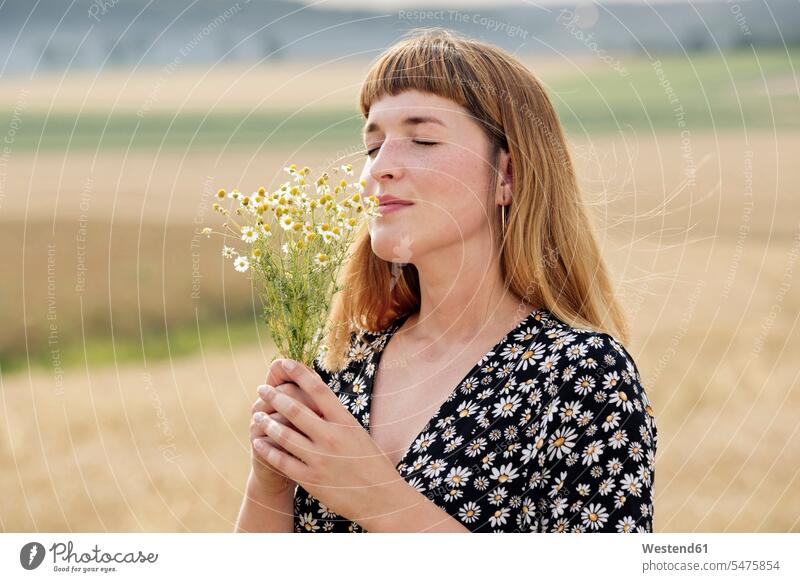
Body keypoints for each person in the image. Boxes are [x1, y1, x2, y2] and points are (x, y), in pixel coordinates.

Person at [235, 27, 657, 533]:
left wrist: (376, 498)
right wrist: (270, 481)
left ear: (508, 176)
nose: (379, 170)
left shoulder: (581, 376)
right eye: (373, 147)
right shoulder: (342, 364)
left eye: (423, 139)